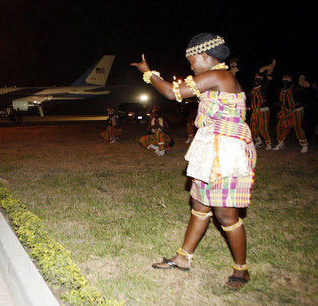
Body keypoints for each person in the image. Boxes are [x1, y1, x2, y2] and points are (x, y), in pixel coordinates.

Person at [131, 33, 256, 290]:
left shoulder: (218, 76)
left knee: (225, 214)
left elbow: (170, 92)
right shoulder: (216, 77)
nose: (191, 67)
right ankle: (183, 258)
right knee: (199, 204)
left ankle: (241, 270)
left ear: (206, 57)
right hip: (211, 149)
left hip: (227, 154)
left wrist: (147, 72)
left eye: (192, 61)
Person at [273, 75, 308, 153]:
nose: (284, 84)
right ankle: (281, 143)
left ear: (289, 83)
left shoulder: (294, 89)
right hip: (287, 111)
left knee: (297, 126)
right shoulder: (281, 91)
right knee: (281, 125)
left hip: (297, 110)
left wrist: (303, 86)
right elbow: (281, 101)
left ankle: (304, 145)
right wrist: (278, 103)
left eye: (286, 82)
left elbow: (305, 92)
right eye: (283, 82)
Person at [249, 60, 275, 150]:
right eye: (255, 79)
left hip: (263, 110)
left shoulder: (262, 88)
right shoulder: (252, 90)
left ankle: (268, 143)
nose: (256, 81)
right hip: (255, 111)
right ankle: (258, 142)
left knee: (263, 127)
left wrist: (269, 77)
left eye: (258, 80)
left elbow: (267, 83)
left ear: (261, 81)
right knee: (252, 127)